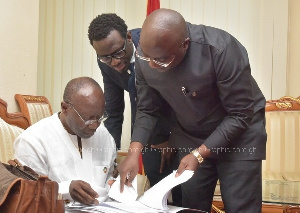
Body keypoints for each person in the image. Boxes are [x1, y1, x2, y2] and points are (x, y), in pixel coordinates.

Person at [118, 9, 267, 213]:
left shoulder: (221, 49)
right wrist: (134, 152)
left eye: (160, 60)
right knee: (191, 207)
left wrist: (199, 154)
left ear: (184, 45)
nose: (151, 64)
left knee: (240, 206)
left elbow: (240, 114)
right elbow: (147, 108)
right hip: (190, 135)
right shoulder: (146, 56)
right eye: (146, 56)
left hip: (239, 136)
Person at [87, 13, 182, 206]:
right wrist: (110, 158)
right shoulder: (105, 60)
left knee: (184, 196)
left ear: (128, 38)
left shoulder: (152, 45)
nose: (114, 62)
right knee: (159, 196)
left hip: (179, 129)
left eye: (118, 53)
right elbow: (114, 112)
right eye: (105, 58)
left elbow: (178, 96)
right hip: (147, 133)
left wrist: (171, 138)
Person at [14, 77, 116, 205]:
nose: (95, 125)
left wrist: (114, 184)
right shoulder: (33, 141)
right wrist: (65, 189)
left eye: (99, 117)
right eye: (88, 119)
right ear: (65, 108)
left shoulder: (103, 135)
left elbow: (109, 178)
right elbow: (29, 194)